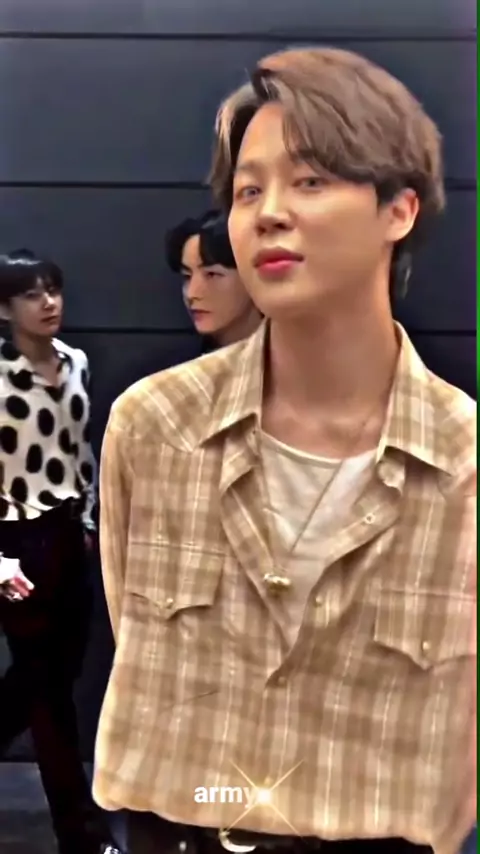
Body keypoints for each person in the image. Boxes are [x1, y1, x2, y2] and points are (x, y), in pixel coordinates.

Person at [93, 48, 476, 854]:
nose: (268, 213)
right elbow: (133, 630)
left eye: (310, 180)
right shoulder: (153, 426)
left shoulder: (465, 464)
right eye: (247, 190)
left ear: (398, 210)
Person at [0, 249, 122, 854]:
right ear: (5, 308)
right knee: (48, 692)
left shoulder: (77, 363)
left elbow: (81, 450)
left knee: (53, 676)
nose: (48, 303)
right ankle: (81, 834)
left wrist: (90, 518)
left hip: (69, 533)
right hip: (15, 539)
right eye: (31, 293)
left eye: (53, 289)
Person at [165, 209, 262, 348]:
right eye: (187, 276)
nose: (192, 294)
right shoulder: (176, 361)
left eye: (211, 274)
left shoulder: (290, 358)